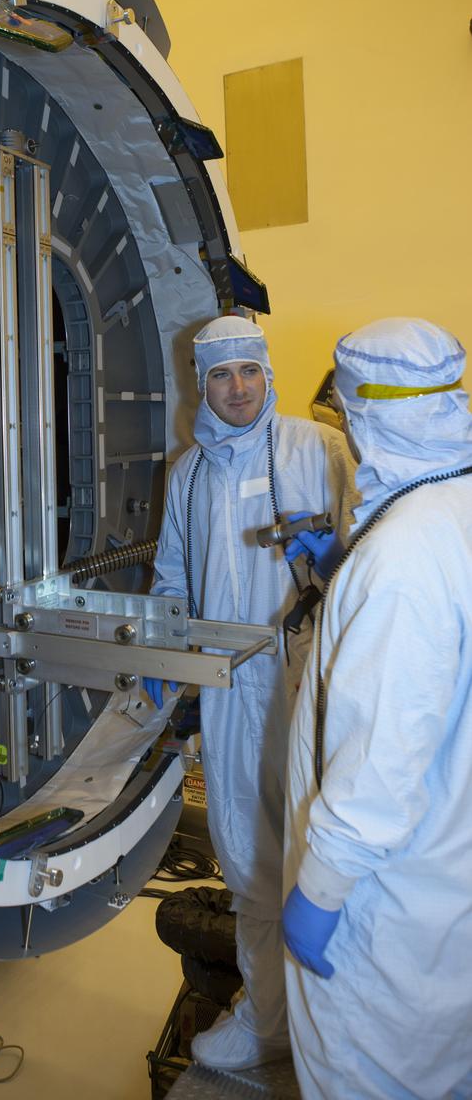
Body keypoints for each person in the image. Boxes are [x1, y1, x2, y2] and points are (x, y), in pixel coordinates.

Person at [148, 314, 356, 1070]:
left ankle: (336, 1016)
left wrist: (331, 558)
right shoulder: (189, 473)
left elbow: (366, 565)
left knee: (327, 849)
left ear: (267, 373)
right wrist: (170, 675)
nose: (237, 389)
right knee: (244, 853)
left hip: (313, 680)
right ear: (199, 385)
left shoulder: (318, 447)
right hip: (231, 690)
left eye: (249, 372)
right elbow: (172, 581)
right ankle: (267, 1018)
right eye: (219, 376)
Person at [283, 317, 472, 1099]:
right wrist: (343, 565)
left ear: (364, 417)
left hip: (377, 902)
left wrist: (319, 892)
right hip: (442, 862)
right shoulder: (446, 507)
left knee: (365, 1076)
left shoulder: (403, 558)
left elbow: (379, 763)